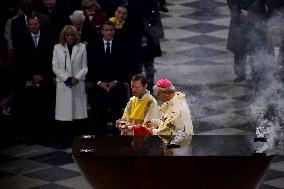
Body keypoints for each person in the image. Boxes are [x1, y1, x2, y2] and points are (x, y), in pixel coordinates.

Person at [87, 21, 129, 135]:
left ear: (114, 31)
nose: (109, 32)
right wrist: (99, 82)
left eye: (111, 30)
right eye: (106, 30)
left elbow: (124, 66)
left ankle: (116, 140)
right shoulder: (93, 45)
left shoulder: (122, 45)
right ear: (102, 31)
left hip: (116, 86)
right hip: (99, 86)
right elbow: (90, 66)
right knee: (99, 115)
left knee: (117, 114)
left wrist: (115, 82)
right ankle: (101, 138)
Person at [52, 25, 88, 144]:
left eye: (72, 35)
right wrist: (66, 78)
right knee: (64, 113)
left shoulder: (81, 47)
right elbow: (55, 67)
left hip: (77, 84)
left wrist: (76, 78)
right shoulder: (57, 48)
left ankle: (77, 140)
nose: (70, 37)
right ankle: (65, 140)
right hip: (64, 85)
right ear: (64, 36)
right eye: (68, 35)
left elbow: (85, 67)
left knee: (78, 113)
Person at [145, 79, 193, 145]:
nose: (158, 97)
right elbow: (168, 122)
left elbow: (166, 132)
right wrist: (153, 122)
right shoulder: (171, 103)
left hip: (177, 145)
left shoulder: (176, 109)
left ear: (166, 94)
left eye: (159, 94)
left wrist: (150, 131)